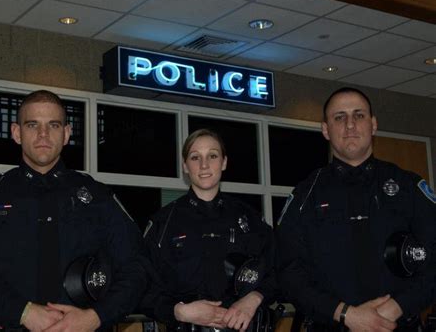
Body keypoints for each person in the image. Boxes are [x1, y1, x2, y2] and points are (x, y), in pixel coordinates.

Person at [0, 90, 147, 331]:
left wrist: (96, 316)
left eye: (53, 125)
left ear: (66, 134)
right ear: (16, 133)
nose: (43, 134)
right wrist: (21, 312)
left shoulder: (99, 198)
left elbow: (138, 268)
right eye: (32, 125)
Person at [276, 87, 436, 332]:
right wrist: (345, 314)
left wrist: (395, 307)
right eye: (339, 117)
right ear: (325, 129)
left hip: (398, 324)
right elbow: (289, 272)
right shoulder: (305, 195)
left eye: (358, 115)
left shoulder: (408, 187)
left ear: (373, 125)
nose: (350, 125)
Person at [141, 129, 276, 331]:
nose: (204, 165)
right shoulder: (163, 223)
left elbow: (279, 268)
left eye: (212, 155)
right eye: (195, 157)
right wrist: (179, 311)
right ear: (185, 166)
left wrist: (254, 298)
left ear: (224, 162)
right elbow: (141, 286)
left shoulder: (250, 218)